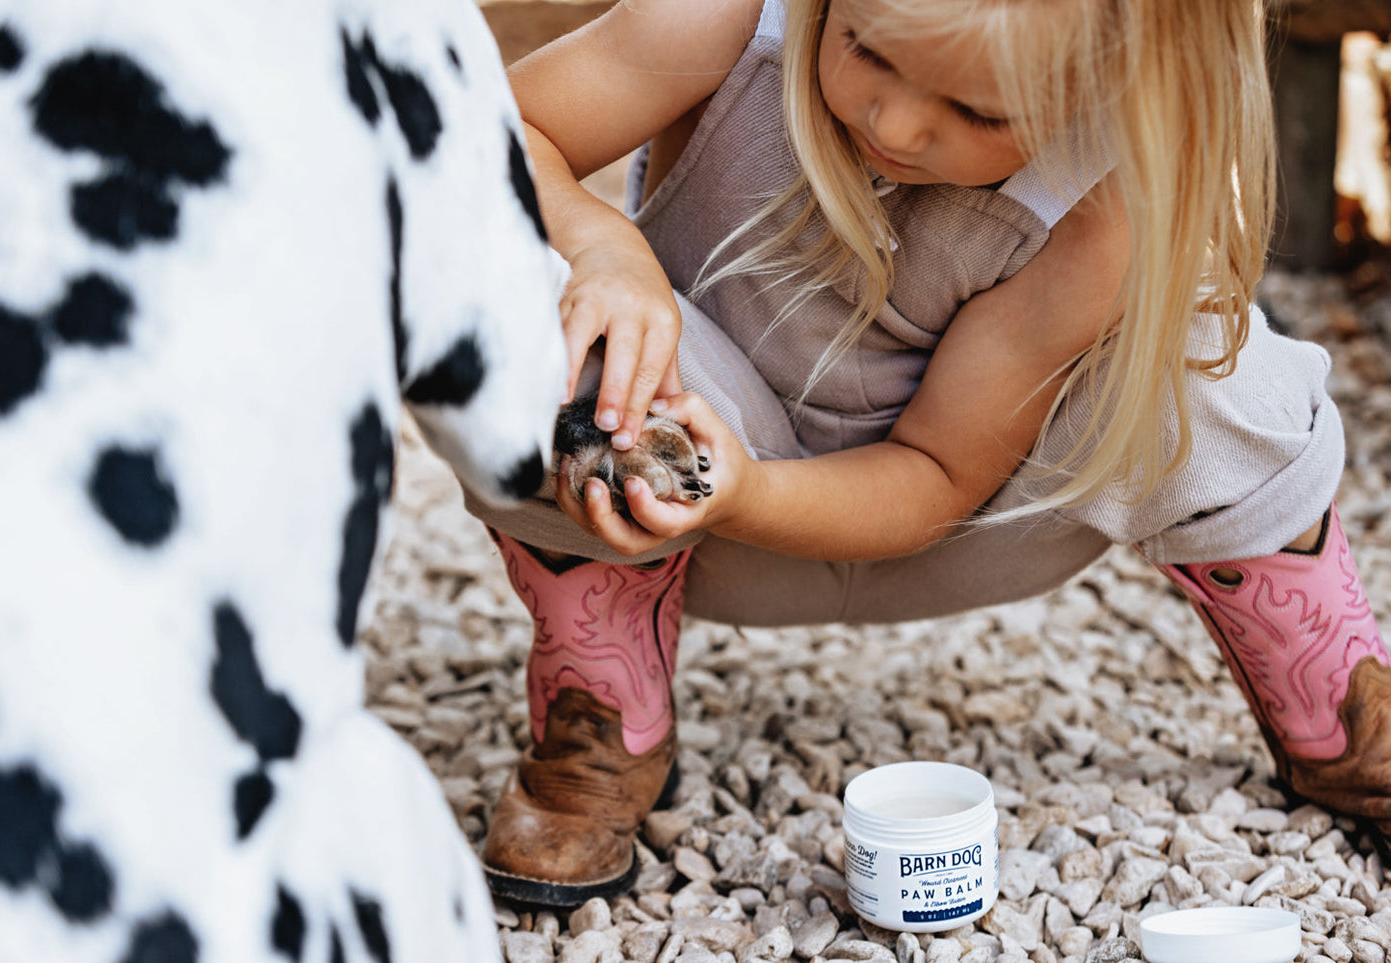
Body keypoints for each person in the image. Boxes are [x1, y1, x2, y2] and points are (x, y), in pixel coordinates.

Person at [461, 0, 1391, 907]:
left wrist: (749, 494)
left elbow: (934, 477)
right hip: (673, 510)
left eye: (981, 110)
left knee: (1201, 365)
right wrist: (600, 248)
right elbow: (484, 140)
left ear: (1111, 81)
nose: (894, 122)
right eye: (866, 47)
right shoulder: (722, 16)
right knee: (534, 325)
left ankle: (1339, 719)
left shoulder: (1108, 199)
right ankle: (602, 721)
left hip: (954, 517)